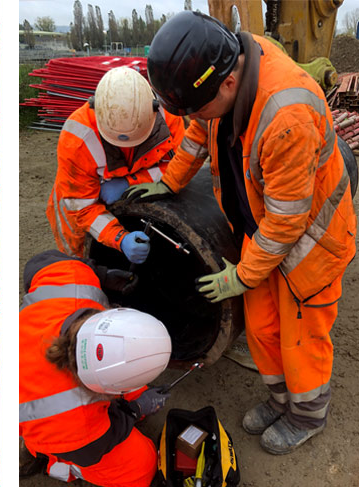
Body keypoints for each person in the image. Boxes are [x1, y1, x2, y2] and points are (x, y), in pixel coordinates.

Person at [126, 11, 357, 455]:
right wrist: (172, 181)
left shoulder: (287, 115)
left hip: (309, 244)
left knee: (301, 337)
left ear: (227, 85)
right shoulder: (226, 64)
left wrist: (241, 275)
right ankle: (280, 399)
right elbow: (198, 128)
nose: (194, 117)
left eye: (198, 105)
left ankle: (307, 414)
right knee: (264, 326)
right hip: (260, 230)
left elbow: (287, 221)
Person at [19, 250, 172, 487]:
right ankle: (50, 459)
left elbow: (38, 263)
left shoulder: (75, 281)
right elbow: (91, 449)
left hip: (28, 372)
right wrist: (134, 410)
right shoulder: (72, 422)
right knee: (141, 467)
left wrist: (101, 275)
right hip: (30, 418)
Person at [46, 66, 185, 262]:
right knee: (79, 258)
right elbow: (83, 208)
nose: (128, 148)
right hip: (79, 202)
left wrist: (131, 182)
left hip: (130, 189)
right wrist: (120, 238)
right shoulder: (76, 139)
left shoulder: (170, 118)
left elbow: (180, 168)